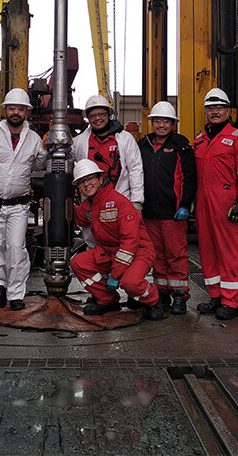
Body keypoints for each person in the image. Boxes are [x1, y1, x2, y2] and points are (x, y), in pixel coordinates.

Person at [0, 88, 47, 311]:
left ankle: (16, 294)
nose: (16, 112)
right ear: (5, 110)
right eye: (12, 108)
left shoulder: (33, 139)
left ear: (27, 112)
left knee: (16, 248)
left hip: (18, 205)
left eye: (20, 109)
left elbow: (39, 164)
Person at [69, 159, 164, 319]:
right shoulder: (89, 205)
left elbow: (130, 241)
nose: (86, 184)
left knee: (130, 283)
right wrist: (57, 202)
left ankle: (154, 298)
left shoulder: (120, 203)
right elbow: (78, 217)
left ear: (100, 179)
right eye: (81, 182)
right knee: (78, 263)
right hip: (109, 252)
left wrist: (116, 274)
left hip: (138, 252)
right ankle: (107, 299)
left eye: (90, 179)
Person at [193, 88, 238, 320]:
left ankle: (231, 301)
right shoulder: (199, 141)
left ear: (228, 111)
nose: (215, 112)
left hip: (226, 201)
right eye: (210, 108)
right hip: (202, 201)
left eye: (219, 108)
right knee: (207, 250)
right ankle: (215, 296)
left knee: (229, 251)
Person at [138, 101, 197, 314]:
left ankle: (179, 296)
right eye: (158, 121)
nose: (161, 125)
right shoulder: (142, 145)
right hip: (149, 212)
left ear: (173, 124)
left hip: (173, 213)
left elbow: (190, 178)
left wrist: (185, 205)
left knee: (176, 255)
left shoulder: (181, 146)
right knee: (157, 255)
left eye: (166, 121)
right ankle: (162, 293)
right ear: (152, 122)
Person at [72, 95, 144, 247]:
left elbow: (135, 170)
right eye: (93, 116)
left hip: (120, 198)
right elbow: (66, 163)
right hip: (91, 203)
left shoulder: (125, 139)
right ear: (88, 118)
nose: (97, 118)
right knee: (94, 243)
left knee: (124, 240)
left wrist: (137, 201)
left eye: (101, 114)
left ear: (108, 115)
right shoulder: (78, 142)